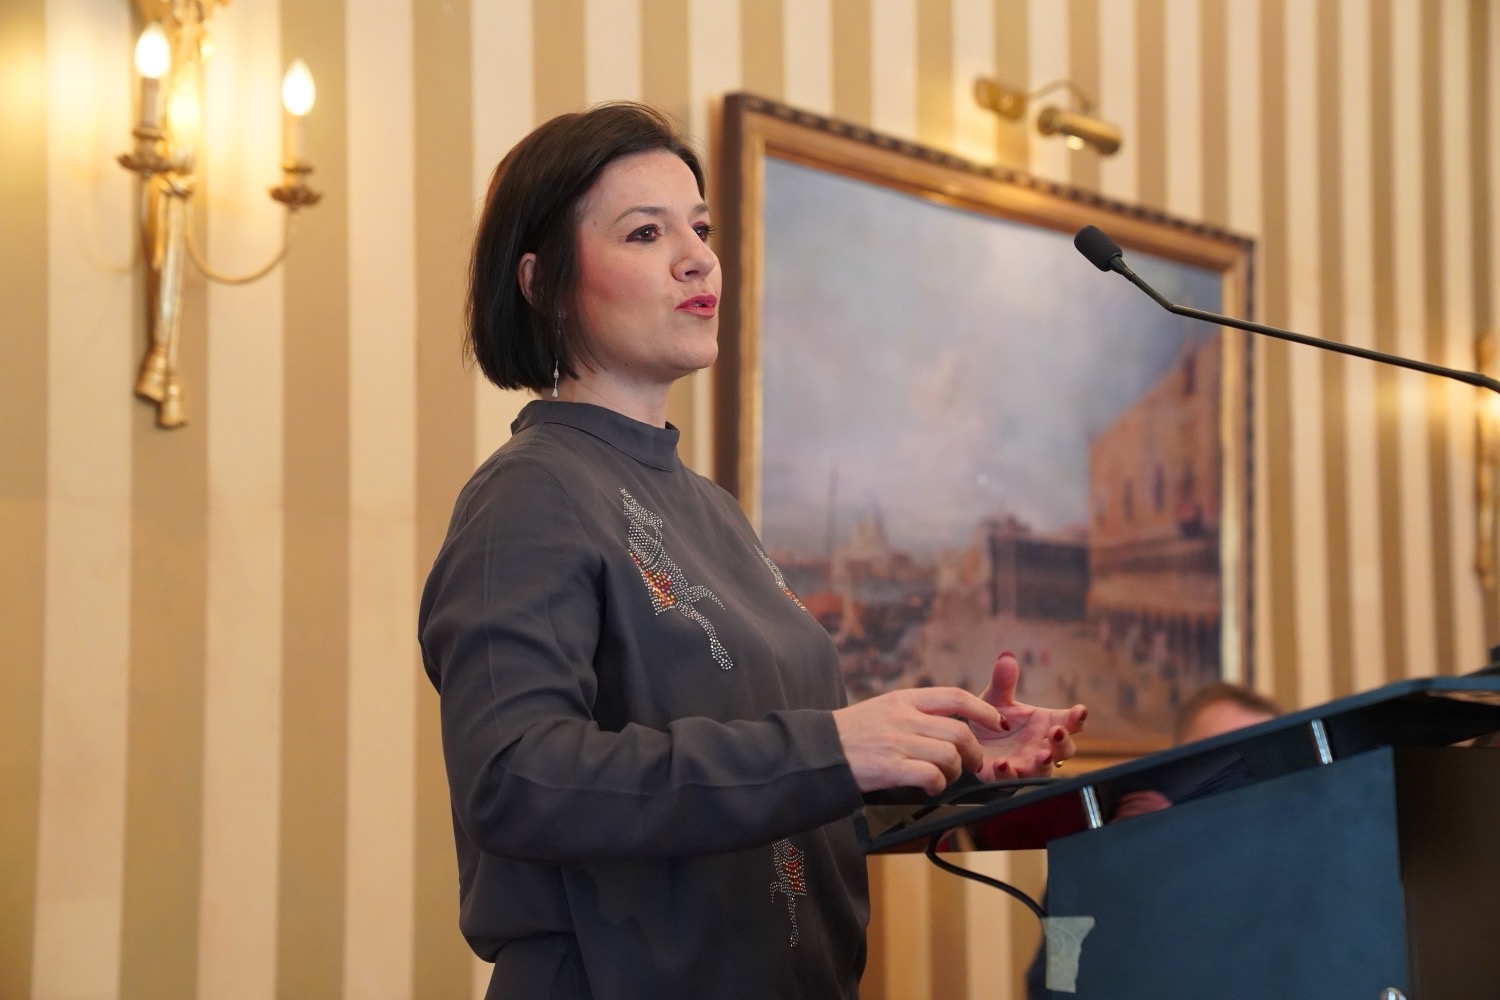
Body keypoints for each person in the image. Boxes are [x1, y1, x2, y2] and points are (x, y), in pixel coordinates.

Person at [417, 101, 1088, 1000]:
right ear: (542, 284)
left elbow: (775, 782)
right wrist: (834, 749)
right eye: (646, 232)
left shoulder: (714, 513)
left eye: (700, 228)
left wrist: (947, 758)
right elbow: (517, 779)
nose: (697, 257)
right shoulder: (528, 496)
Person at [1024, 683, 1280, 999]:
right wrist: (1136, 864)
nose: (1229, 786)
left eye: (1249, 771)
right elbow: (1055, 983)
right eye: (1214, 764)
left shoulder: (1296, 868)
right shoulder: (1094, 863)